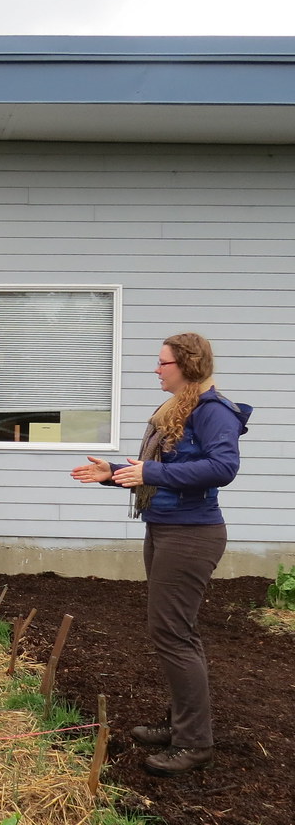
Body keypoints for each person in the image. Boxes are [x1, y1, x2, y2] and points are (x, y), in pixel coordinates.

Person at [70, 333, 252, 777]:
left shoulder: (212, 411)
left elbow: (223, 467)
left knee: (173, 634)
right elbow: (167, 468)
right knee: (175, 632)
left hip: (192, 535)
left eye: (162, 363)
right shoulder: (179, 409)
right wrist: (114, 473)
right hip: (166, 527)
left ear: (186, 366)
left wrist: (148, 470)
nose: (156, 369)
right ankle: (181, 724)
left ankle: (195, 743)